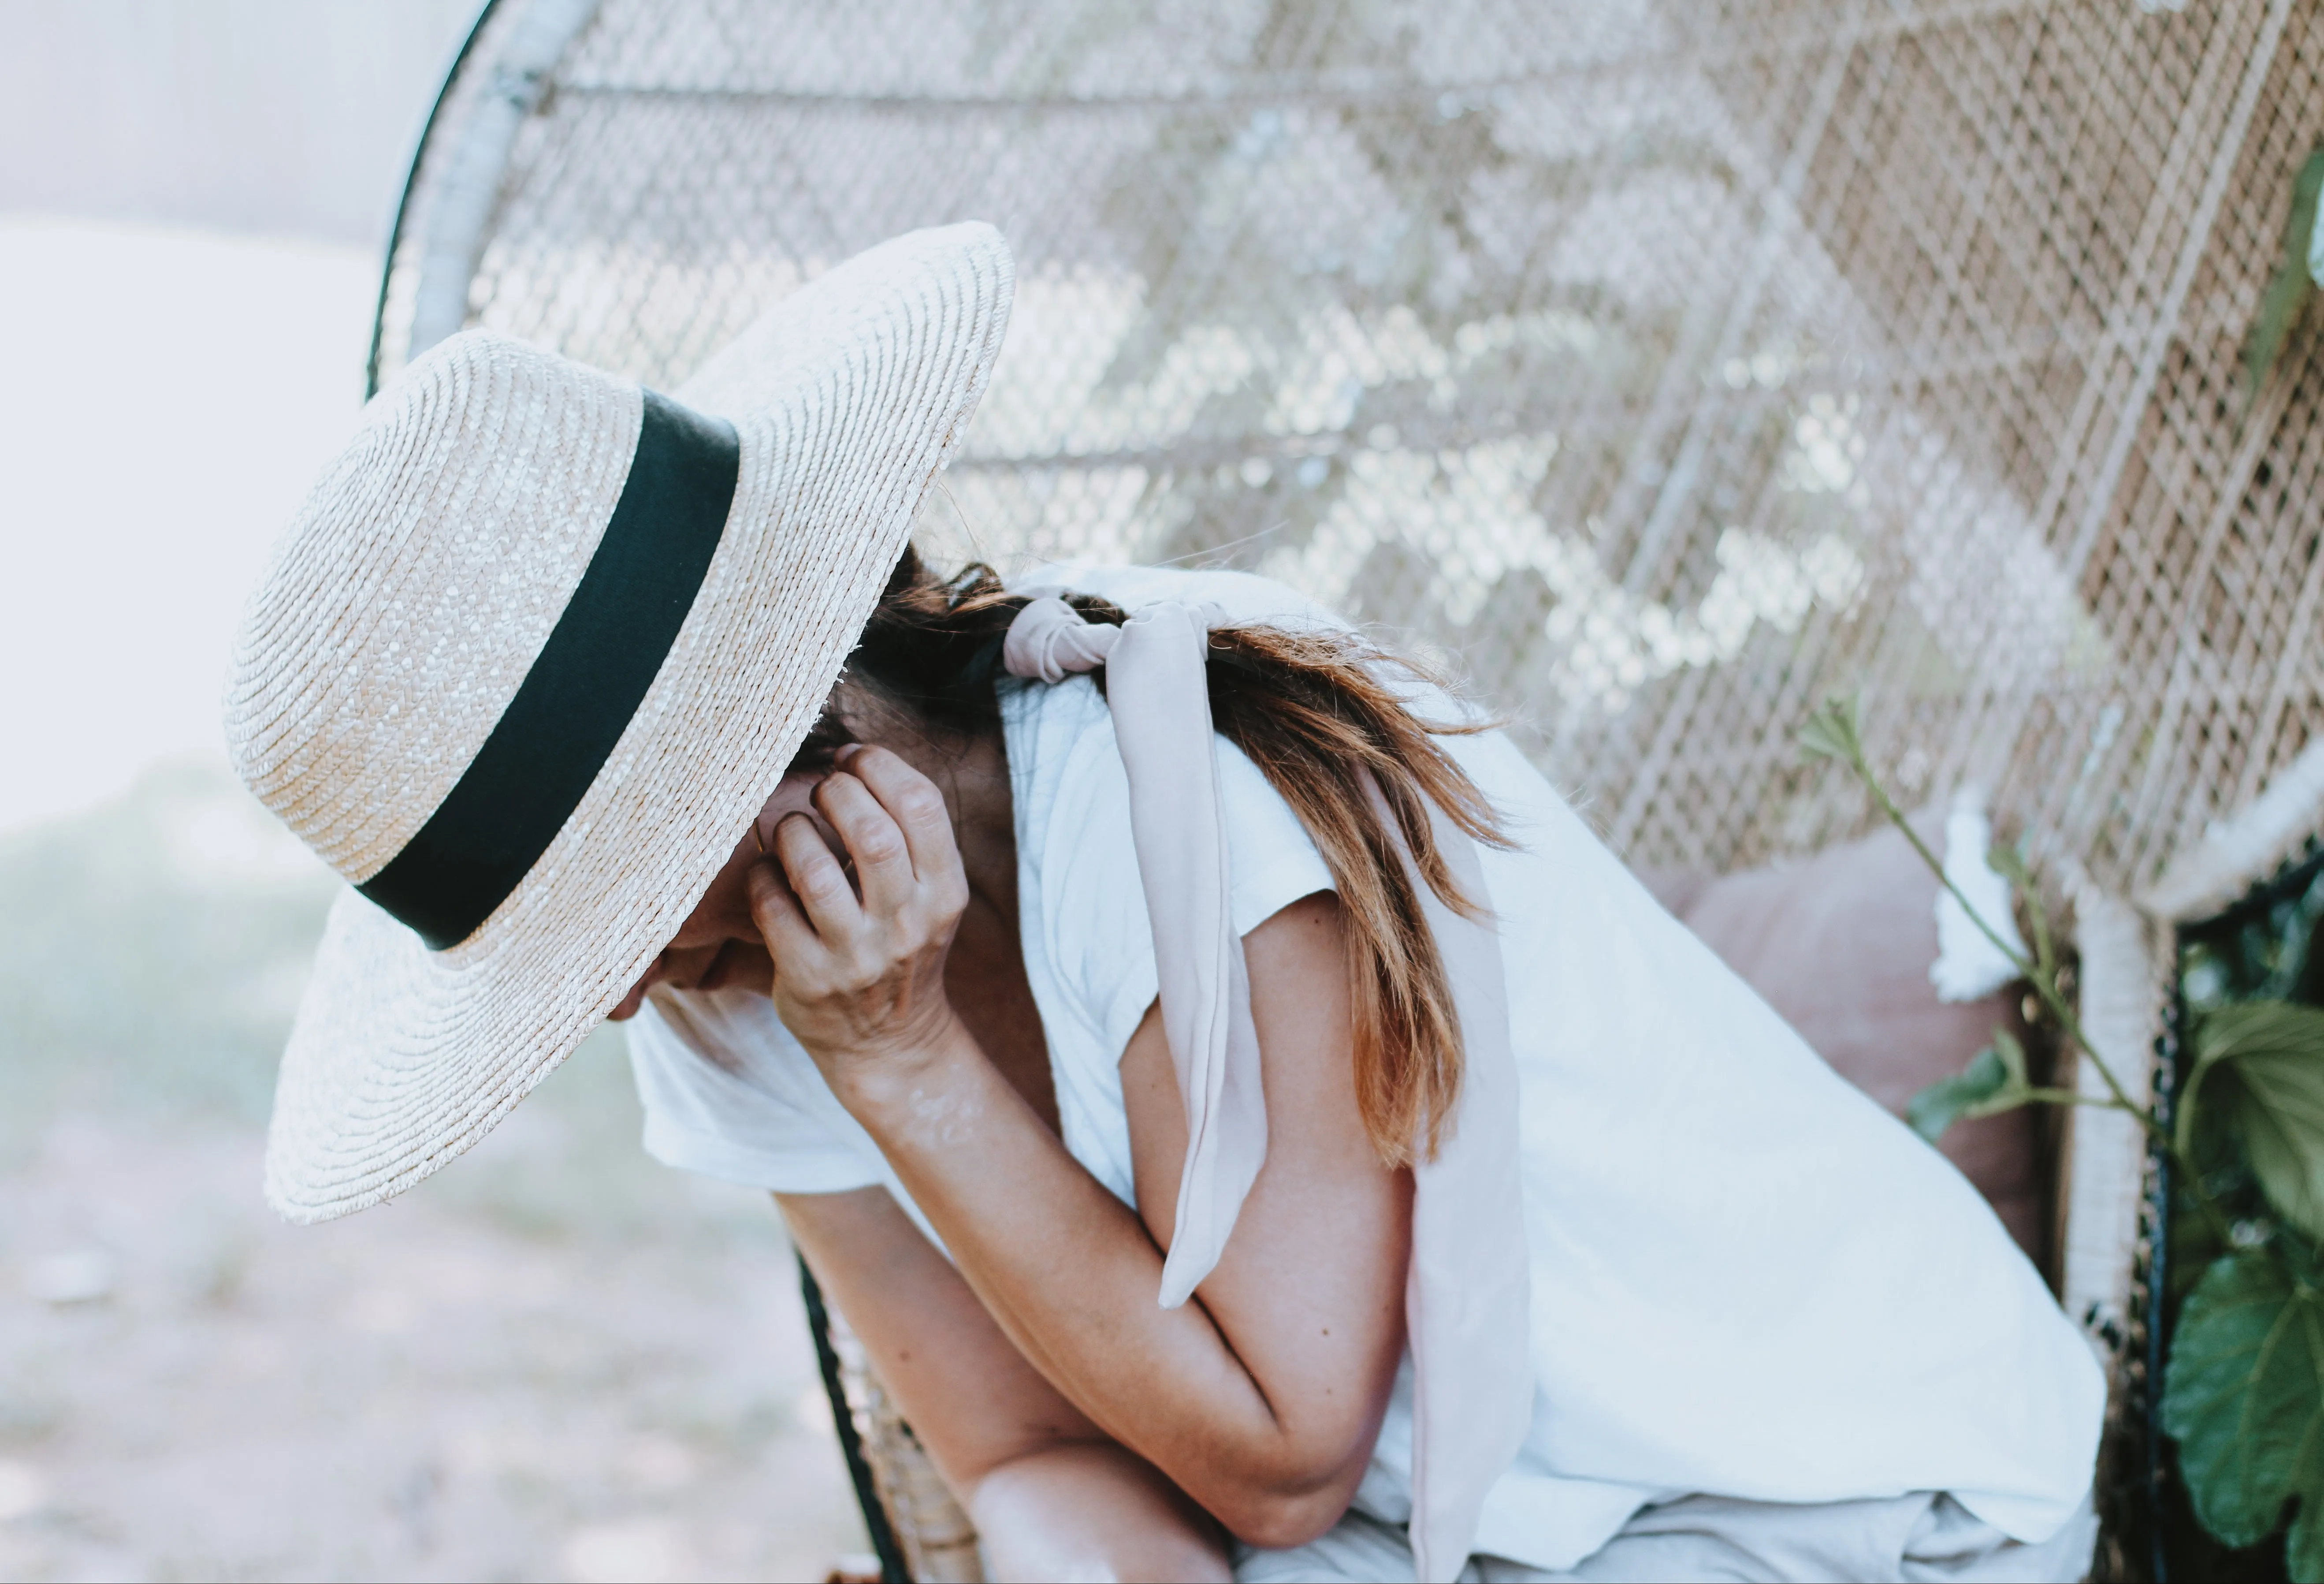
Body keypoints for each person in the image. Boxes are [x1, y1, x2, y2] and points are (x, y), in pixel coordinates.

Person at [229, 224, 2104, 1584]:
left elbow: (1286, 1458)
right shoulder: (719, 986)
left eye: (602, 911)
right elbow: (1027, 1451)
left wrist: (905, 1067)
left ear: (763, 739)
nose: (621, 999)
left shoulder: (1182, 793)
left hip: (1827, 1491)